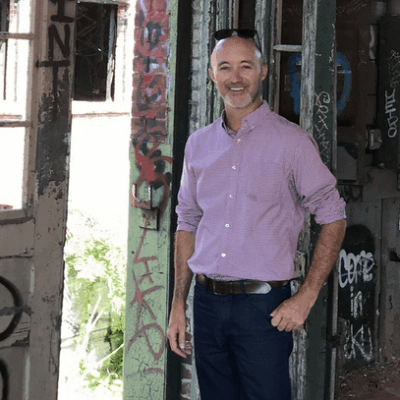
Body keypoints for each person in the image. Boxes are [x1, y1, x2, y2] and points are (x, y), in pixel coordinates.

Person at [167, 29, 346, 400]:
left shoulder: (292, 143)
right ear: (212, 74)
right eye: (225, 67)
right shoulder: (198, 145)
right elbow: (187, 222)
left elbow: (333, 216)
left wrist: (306, 296)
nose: (236, 78)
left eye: (245, 66)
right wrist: (178, 305)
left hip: (263, 309)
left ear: (263, 71)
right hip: (207, 303)